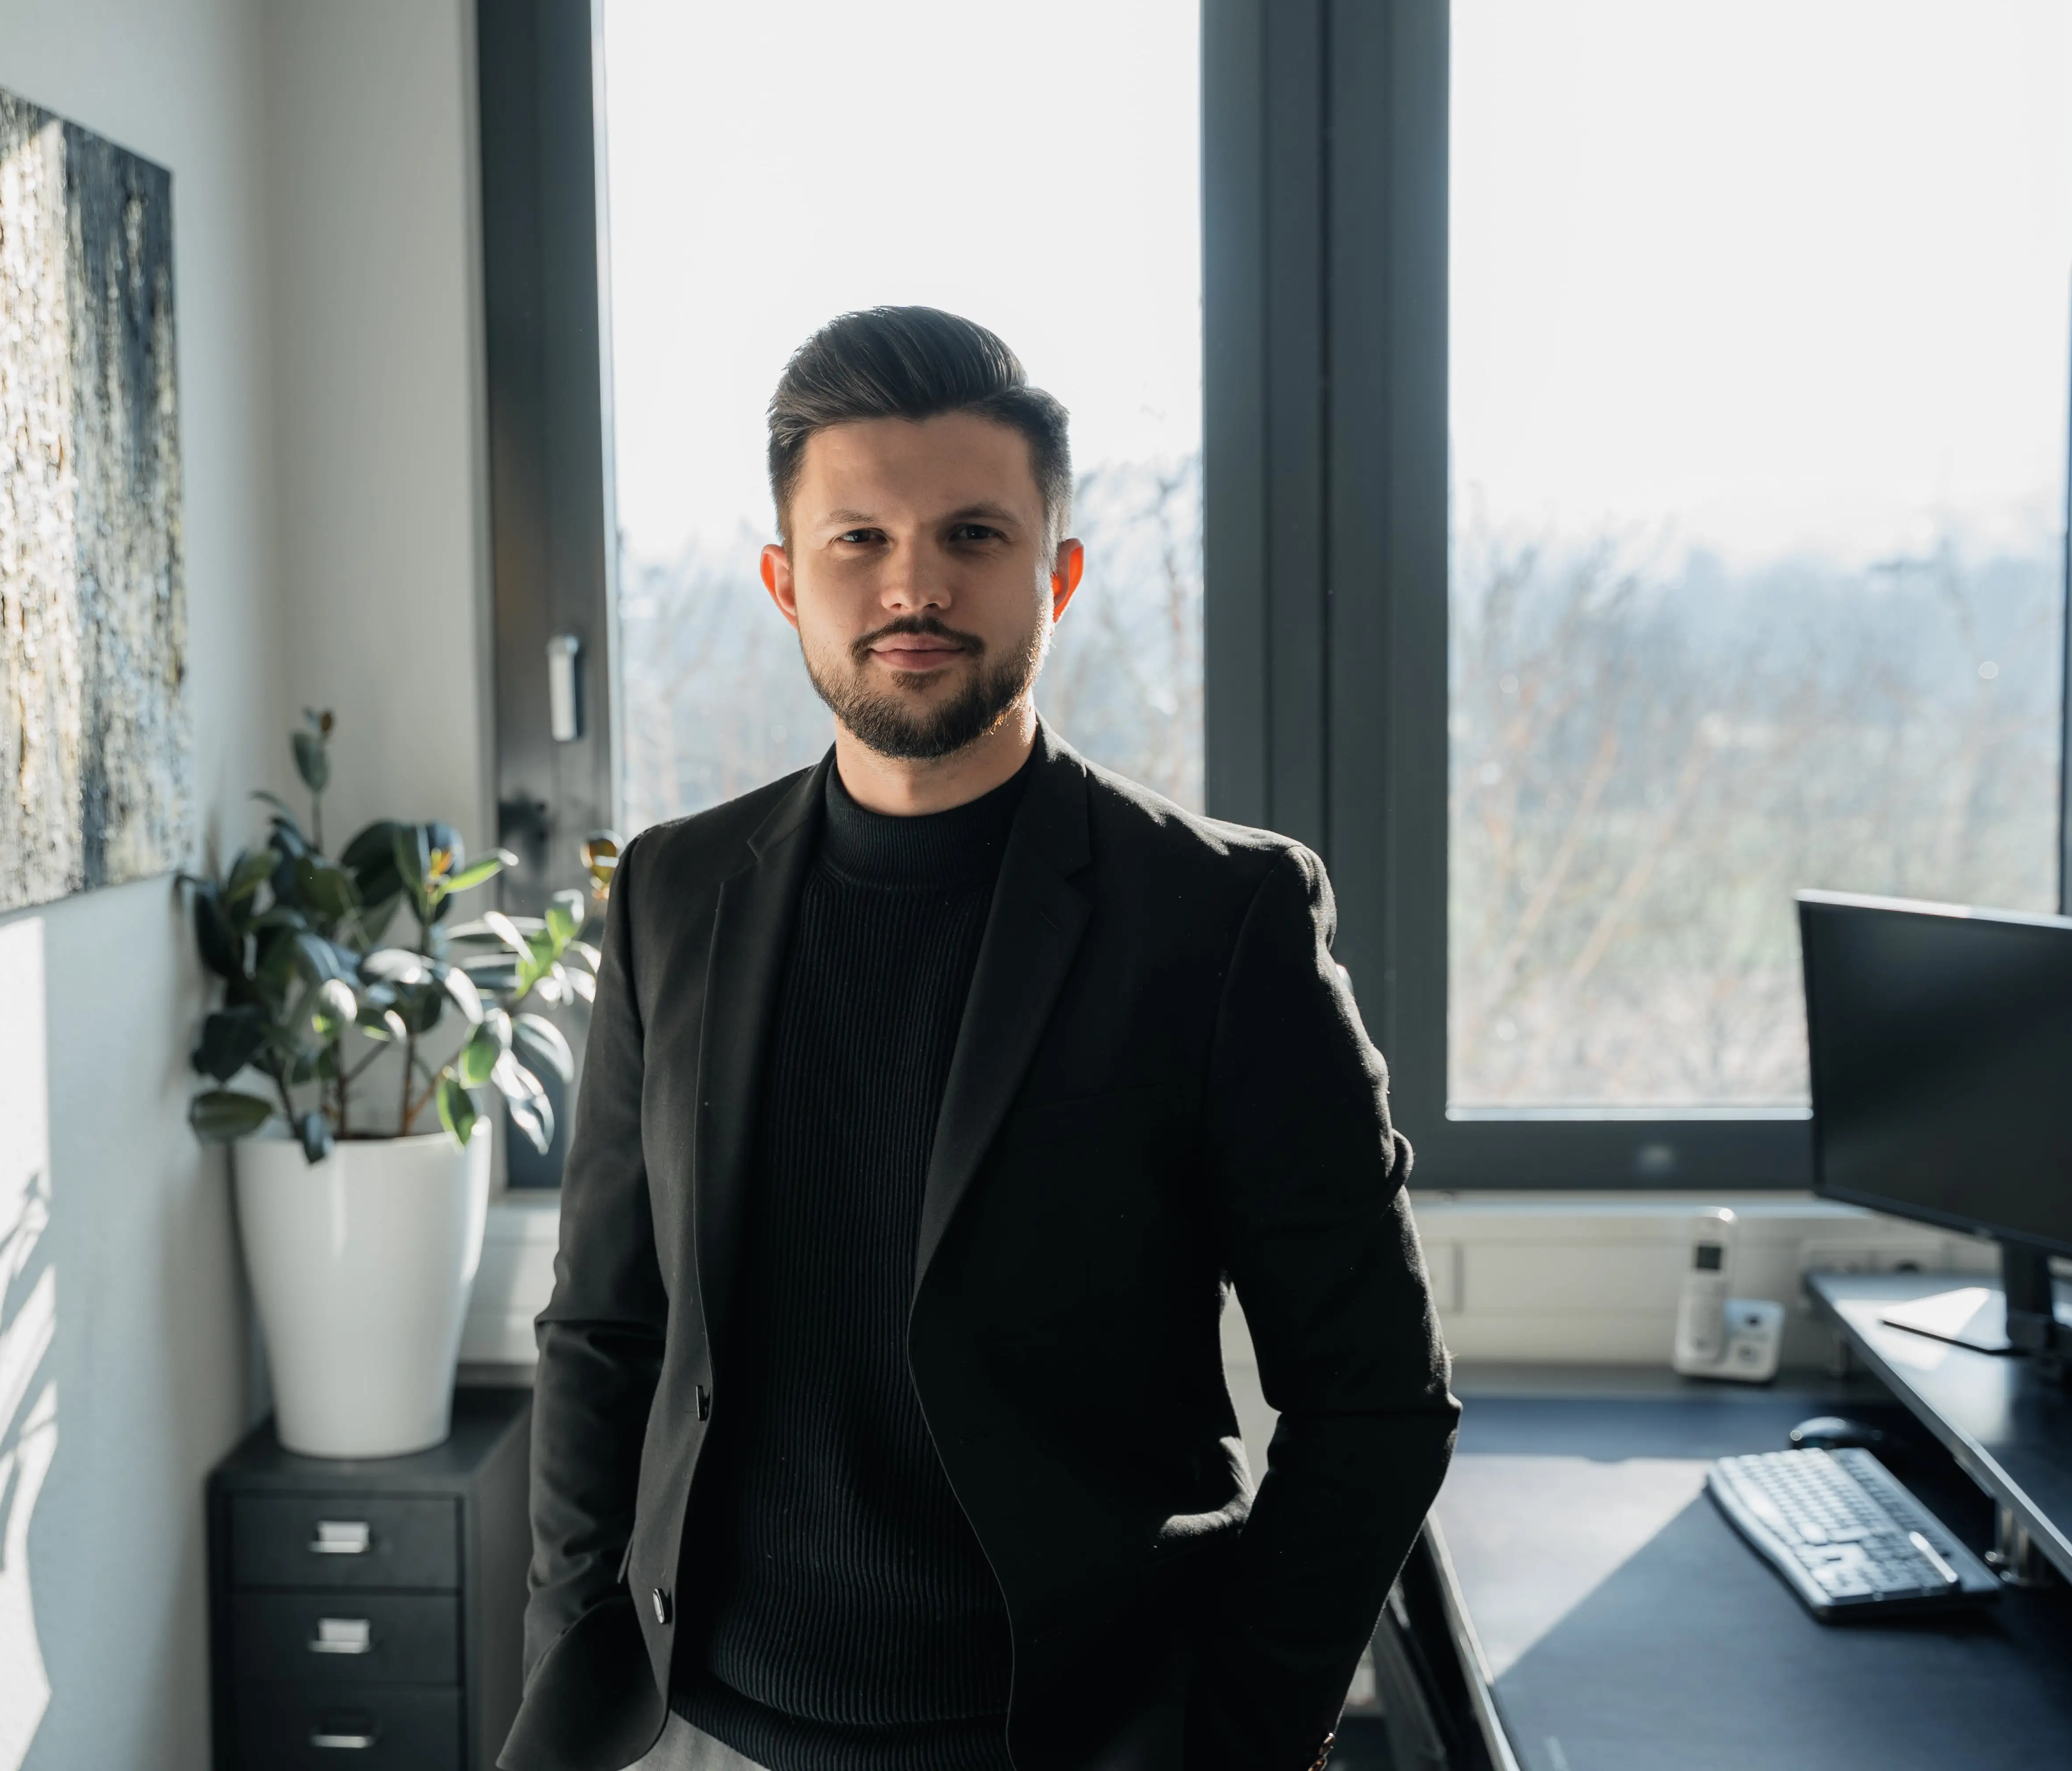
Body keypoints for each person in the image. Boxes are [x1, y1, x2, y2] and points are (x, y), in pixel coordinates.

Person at [502, 306, 1456, 1771]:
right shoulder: (675, 893)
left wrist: (1233, 1736)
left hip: (1072, 1738)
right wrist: (574, 1660)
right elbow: (605, 1330)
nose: (915, 586)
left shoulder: (1218, 919)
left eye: (973, 536)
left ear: (1056, 574)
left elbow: (1374, 1397)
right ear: (783, 580)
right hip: (697, 1733)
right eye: (858, 540)